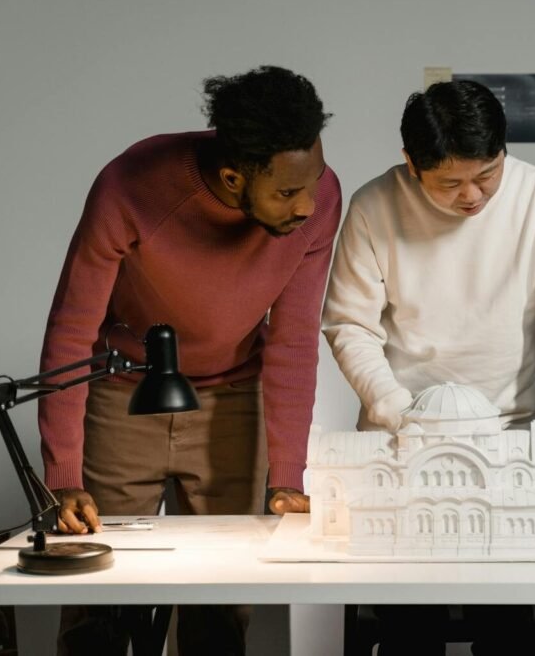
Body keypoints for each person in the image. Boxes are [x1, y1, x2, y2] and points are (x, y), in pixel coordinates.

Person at [38, 66, 341, 655]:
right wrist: (63, 477)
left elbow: (295, 340)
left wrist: (287, 475)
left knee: (222, 605)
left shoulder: (319, 198)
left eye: (314, 180)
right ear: (232, 178)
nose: (307, 204)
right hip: (125, 394)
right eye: (285, 192)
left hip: (232, 401)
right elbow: (72, 330)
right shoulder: (130, 186)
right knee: (96, 600)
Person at [322, 79, 535, 655]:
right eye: (450, 183)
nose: (472, 196)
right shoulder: (375, 205)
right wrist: (399, 415)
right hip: (403, 439)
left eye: (487, 174)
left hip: (510, 437)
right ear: (411, 164)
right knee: (408, 630)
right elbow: (350, 326)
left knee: (510, 629)